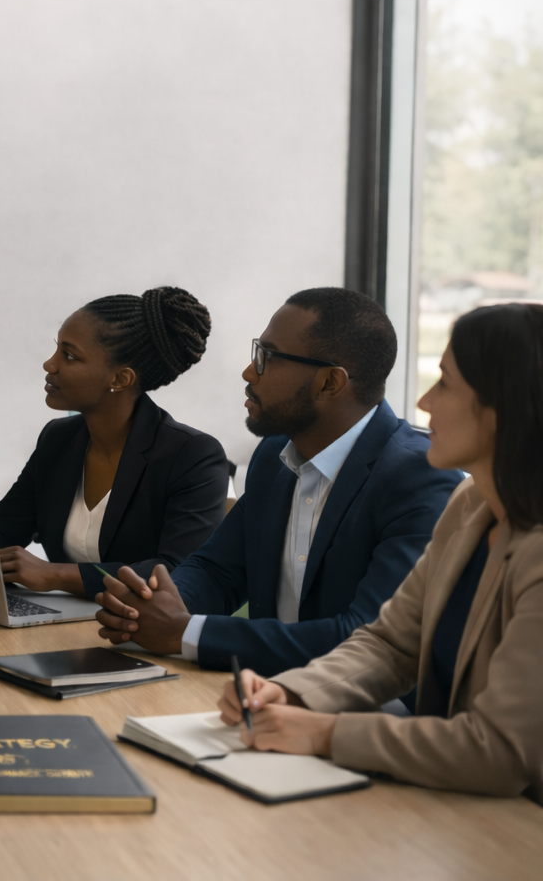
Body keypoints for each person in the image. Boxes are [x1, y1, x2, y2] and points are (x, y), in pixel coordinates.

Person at [220, 304, 543, 801]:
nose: (425, 401)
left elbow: (498, 750)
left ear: (505, 410)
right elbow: (390, 644)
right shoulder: (470, 505)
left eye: (446, 384)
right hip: (454, 803)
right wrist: (294, 693)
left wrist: (323, 734)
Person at [95, 287, 462, 676]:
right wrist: (151, 603)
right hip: (260, 694)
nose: (249, 372)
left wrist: (187, 633)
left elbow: (367, 638)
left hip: (367, 717)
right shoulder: (274, 456)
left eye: (266, 357)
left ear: (329, 383)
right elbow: (219, 571)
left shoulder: (420, 476)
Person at [0, 287, 228, 598]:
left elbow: (179, 571)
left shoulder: (193, 456)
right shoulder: (58, 439)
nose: (50, 365)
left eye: (69, 355)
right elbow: (0, 534)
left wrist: (57, 575)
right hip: (60, 624)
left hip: (140, 631)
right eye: (56, 349)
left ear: (120, 379)